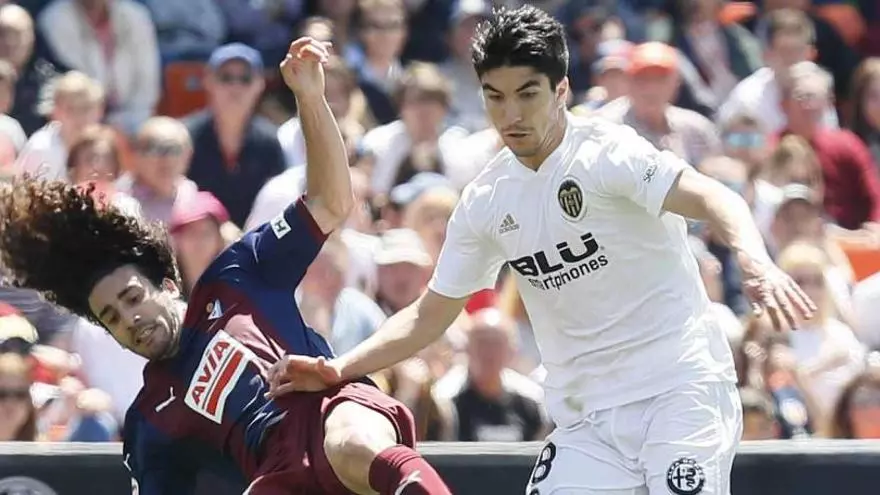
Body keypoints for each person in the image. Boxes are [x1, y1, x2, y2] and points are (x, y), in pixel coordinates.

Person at [266, 7, 818, 495]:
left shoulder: (609, 154)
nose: (511, 114)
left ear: (561, 90)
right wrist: (339, 368)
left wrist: (754, 257)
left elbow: (714, 195)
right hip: (587, 423)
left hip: (680, 390)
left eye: (527, 93)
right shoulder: (485, 200)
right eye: (495, 96)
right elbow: (429, 314)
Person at [0, 37, 450, 495]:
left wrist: (310, 97)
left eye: (133, 298)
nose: (129, 319)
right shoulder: (148, 421)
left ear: (168, 284)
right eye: (112, 318)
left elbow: (331, 202)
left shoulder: (236, 274)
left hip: (330, 406)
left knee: (350, 444)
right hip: (278, 474)